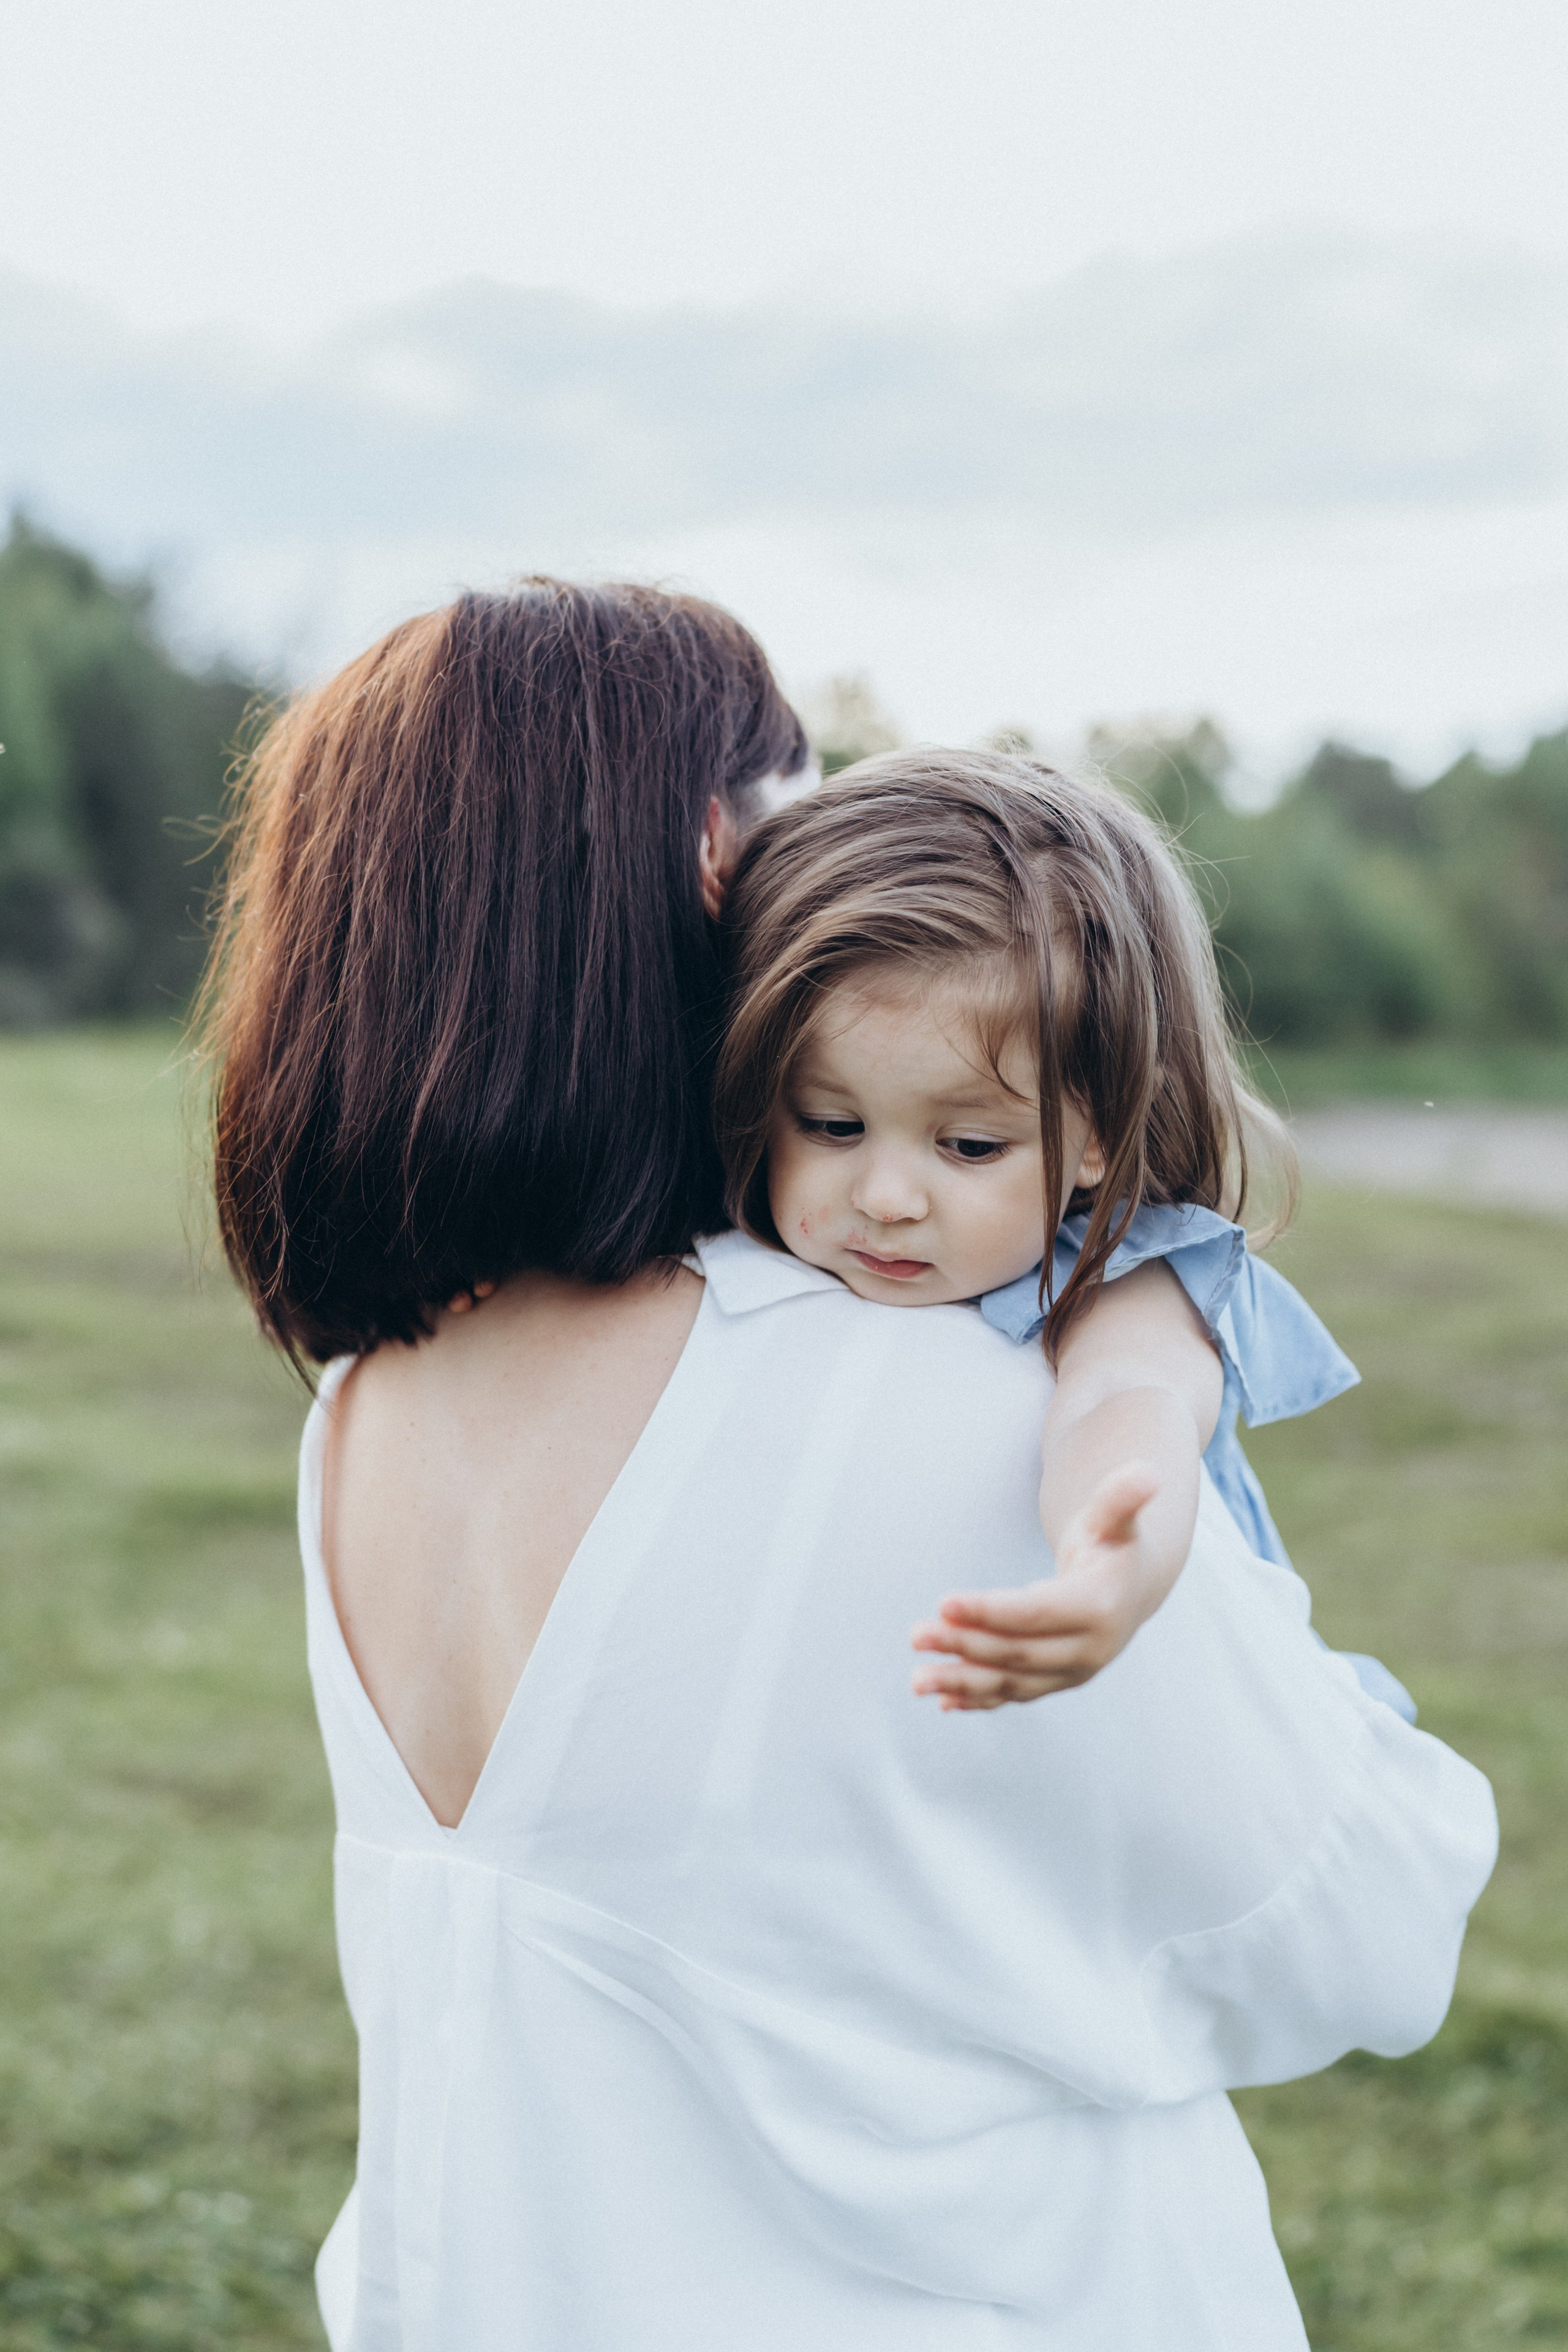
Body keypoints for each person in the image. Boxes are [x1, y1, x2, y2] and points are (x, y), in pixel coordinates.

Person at [202, 580, 1496, 2351]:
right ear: (698, 860)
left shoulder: (365, 1403)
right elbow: (1361, 1930)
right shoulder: (926, 1409)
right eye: (791, 809)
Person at [712, 747, 1414, 1717]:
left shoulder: (1121, 1273)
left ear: (1101, 1136)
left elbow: (1124, 1399)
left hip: (1186, 1722)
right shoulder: (747, 1235)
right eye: (832, 1124)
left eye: (966, 1144)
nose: (884, 1196)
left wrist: (1109, 1559)